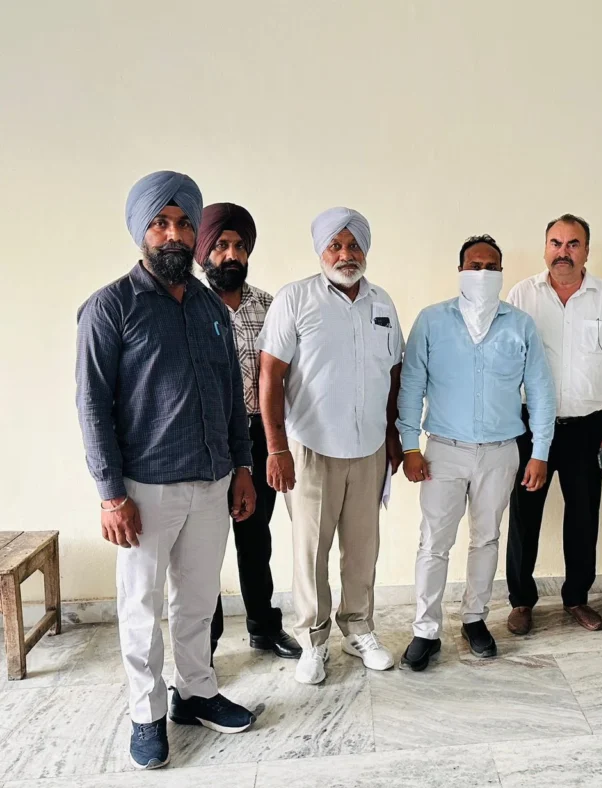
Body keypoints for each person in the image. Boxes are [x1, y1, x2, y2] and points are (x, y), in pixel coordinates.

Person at [75, 171, 258, 771]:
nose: (174, 234)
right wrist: (111, 494)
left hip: (212, 480)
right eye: (161, 223)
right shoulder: (110, 307)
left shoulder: (209, 306)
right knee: (140, 607)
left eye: (183, 223)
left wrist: (242, 466)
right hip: (145, 488)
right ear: (142, 230)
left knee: (198, 600)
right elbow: (92, 405)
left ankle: (196, 693)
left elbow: (231, 396)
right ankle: (146, 713)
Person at [258, 207, 404, 685]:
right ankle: (313, 641)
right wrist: (276, 448)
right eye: (335, 246)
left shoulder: (382, 303)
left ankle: (358, 630)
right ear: (321, 250)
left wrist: (393, 436)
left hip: (368, 450)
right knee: (311, 552)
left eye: (354, 245)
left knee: (362, 550)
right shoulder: (295, 299)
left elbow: (394, 374)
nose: (346, 254)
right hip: (310, 450)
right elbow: (270, 375)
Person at [398, 234, 556, 670]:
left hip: (501, 452)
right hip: (443, 452)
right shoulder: (432, 321)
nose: (483, 273)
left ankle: (475, 619)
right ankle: (425, 630)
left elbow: (541, 392)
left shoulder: (520, 325)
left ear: (501, 273)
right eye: (475, 266)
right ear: (460, 271)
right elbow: (411, 386)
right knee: (434, 542)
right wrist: (410, 445)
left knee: (486, 538)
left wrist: (540, 452)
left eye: (491, 267)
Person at [505, 214, 602, 634]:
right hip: (531, 426)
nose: (563, 252)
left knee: (583, 516)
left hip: (587, 428)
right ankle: (521, 601)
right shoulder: (522, 294)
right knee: (525, 516)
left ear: (586, 251)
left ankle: (577, 598)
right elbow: (505, 364)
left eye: (573, 243)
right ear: (545, 248)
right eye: (556, 243)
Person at [195, 202, 301, 661]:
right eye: (221, 245)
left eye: (239, 246)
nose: (231, 255)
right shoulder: (188, 305)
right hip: (205, 442)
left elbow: (285, 377)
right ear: (203, 252)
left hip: (259, 438)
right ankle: (205, 641)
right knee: (203, 547)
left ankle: (263, 626)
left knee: (256, 537)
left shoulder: (269, 306)